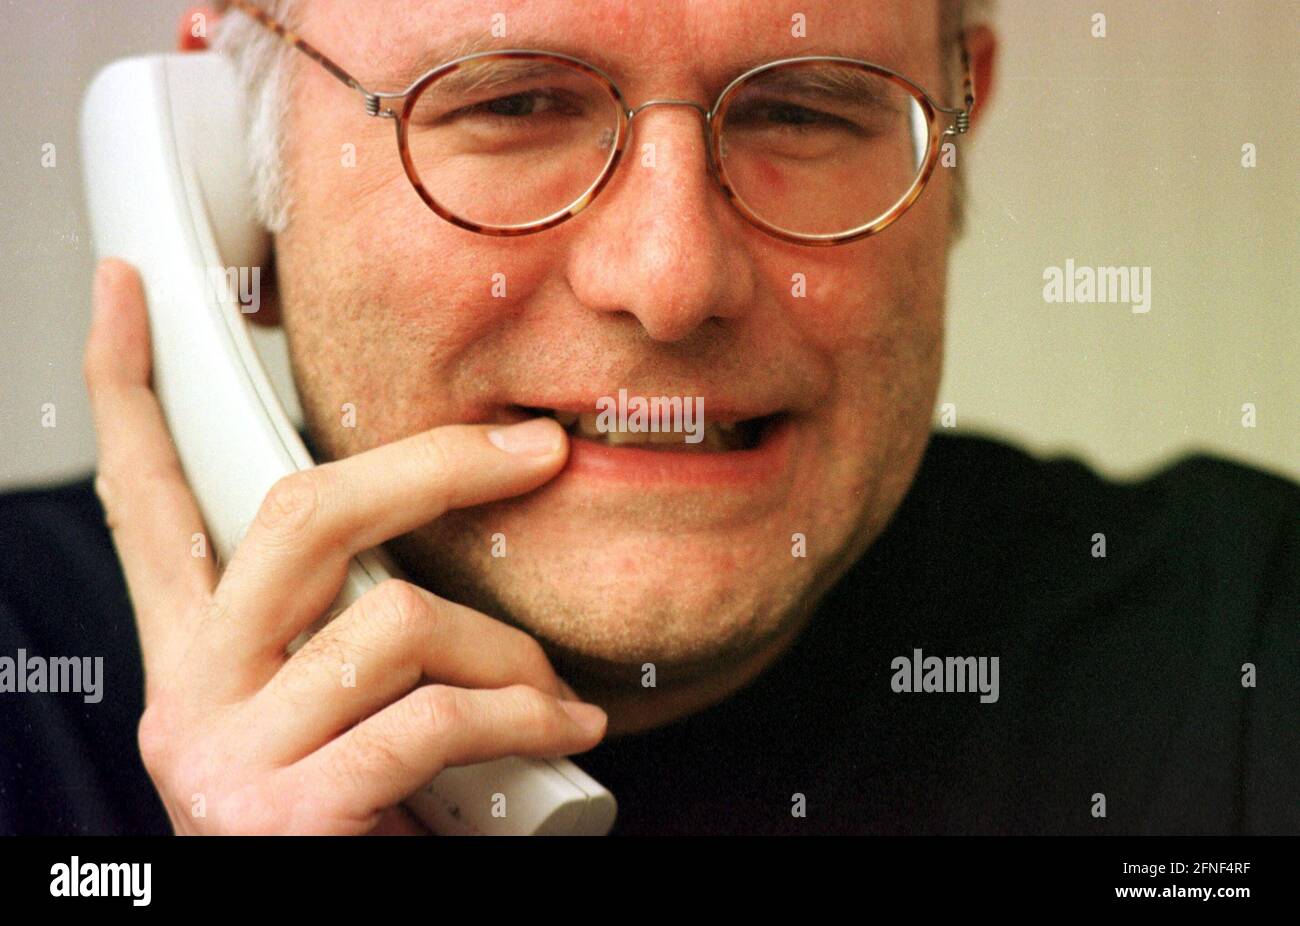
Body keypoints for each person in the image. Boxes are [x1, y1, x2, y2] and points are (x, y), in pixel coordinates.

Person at [1, 0, 1295, 836]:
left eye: (802, 106)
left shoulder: (1253, 659)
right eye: (512, 103)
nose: (673, 282)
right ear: (234, 158)